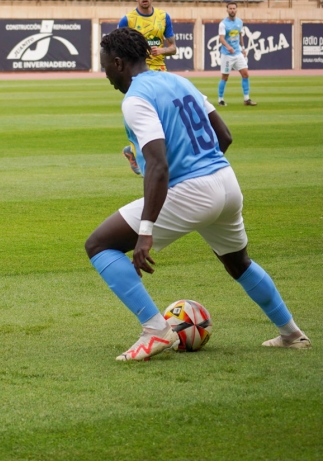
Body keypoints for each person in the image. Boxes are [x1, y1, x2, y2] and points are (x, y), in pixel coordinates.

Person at [85, 27, 310, 362]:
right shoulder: (180, 82)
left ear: (118, 63)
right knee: (239, 263)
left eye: (105, 67)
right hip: (226, 182)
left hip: (194, 191)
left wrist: (145, 233)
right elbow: (225, 135)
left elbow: (160, 166)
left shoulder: (134, 98)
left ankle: (156, 331)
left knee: (99, 245)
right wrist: (184, 168)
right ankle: (292, 334)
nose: (106, 75)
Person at [118, 0, 177, 175]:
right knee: (134, 112)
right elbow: (117, 47)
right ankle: (133, 151)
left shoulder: (163, 17)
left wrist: (162, 50)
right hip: (136, 73)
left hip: (159, 71)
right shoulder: (128, 20)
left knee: (163, 115)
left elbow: (173, 48)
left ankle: (161, 154)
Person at [217, 2, 257, 107]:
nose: (232, 10)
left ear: (236, 9)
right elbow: (221, 38)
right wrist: (228, 47)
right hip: (227, 54)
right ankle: (220, 100)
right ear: (227, 10)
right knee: (225, 77)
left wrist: (243, 48)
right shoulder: (223, 24)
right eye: (230, 8)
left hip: (237, 53)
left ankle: (246, 99)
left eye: (234, 8)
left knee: (245, 74)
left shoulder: (239, 22)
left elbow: (240, 35)